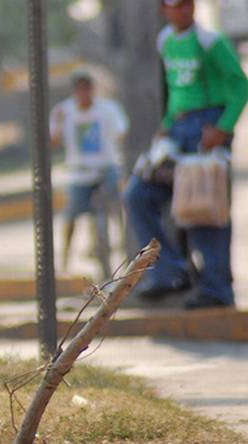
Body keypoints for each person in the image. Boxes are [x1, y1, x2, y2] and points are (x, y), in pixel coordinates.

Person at [124, 0, 248, 309]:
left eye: (182, 4)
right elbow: (176, 89)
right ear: (164, 10)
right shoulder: (165, 40)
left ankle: (217, 288)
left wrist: (224, 127)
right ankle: (169, 272)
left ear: (191, 7)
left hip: (206, 128)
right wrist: (165, 126)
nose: (177, 11)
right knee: (138, 194)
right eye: (170, 5)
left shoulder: (211, 41)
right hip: (177, 129)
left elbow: (240, 85)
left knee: (203, 207)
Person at [50, 71, 129, 276]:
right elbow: (54, 142)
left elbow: (121, 133)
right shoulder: (63, 111)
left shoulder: (108, 108)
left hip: (105, 169)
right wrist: (58, 124)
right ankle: (64, 261)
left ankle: (126, 253)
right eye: (80, 89)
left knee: (117, 210)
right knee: (72, 215)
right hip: (79, 173)